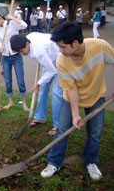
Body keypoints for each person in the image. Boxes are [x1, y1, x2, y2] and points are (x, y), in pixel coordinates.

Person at [40, 22, 114, 181]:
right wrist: (75, 115)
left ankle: (91, 161)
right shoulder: (62, 61)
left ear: (75, 42)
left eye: (63, 47)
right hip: (71, 98)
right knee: (62, 130)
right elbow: (71, 89)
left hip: (96, 96)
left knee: (95, 133)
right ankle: (54, 162)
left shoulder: (100, 47)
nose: (60, 51)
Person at [10, 33, 62, 136]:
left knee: (56, 93)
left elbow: (52, 71)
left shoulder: (39, 52)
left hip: (60, 62)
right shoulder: (28, 38)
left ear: (27, 43)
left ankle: (58, 126)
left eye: (22, 50)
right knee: (43, 90)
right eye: (19, 52)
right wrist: (40, 84)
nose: (21, 53)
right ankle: (40, 117)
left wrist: (38, 83)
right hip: (48, 61)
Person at [0, 10, 29, 111]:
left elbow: (24, 25)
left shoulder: (12, 24)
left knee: (20, 80)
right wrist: (0, 48)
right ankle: (10, 102)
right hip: (5, 58)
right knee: (8, 81)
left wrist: (12, 18)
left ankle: (24, 103)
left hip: (16, 56)